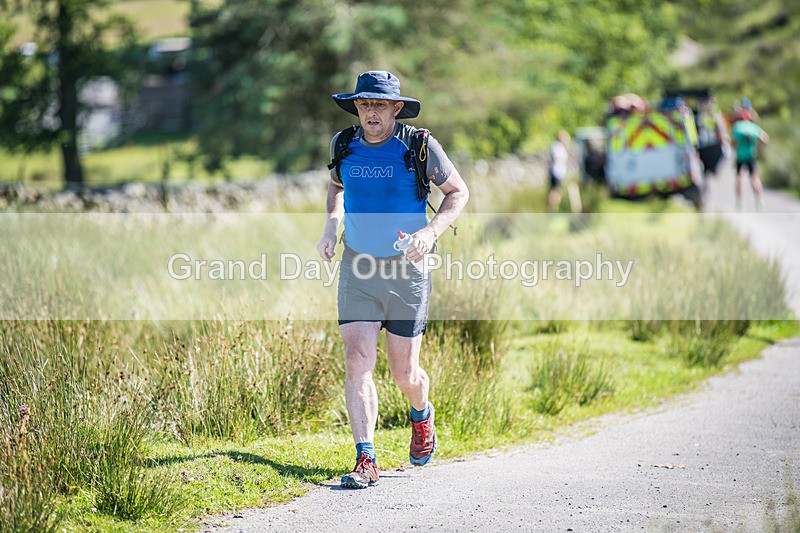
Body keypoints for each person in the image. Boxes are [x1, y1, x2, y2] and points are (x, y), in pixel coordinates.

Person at [317, 71, 469, 489]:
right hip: (358, 269)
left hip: (408, 273)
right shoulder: (343, 144)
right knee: (356, 360)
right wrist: (332, 224)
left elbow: (458, 193)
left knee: (406, 375)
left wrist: (429, 233)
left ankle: (421, 415)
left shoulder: (419, 145)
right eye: (364, 105)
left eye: (379, 105)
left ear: (396, 108)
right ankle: (365, 459)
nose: (370, 113)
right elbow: (335, 187)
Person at [730, 110, 769, 211]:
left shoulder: (737, 126)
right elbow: (765, 139)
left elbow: (733, 142)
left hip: (740, 156)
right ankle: (759, 201)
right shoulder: (753, 127)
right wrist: (761, 151)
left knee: (739, 179)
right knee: (755, 178)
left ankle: (740, 202)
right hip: (751, 155)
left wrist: (735, 149)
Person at [547, 130, 570, 211]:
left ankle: (555, 207)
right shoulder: (556, 147)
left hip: (560, 172)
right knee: (555, 190)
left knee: (558, 190)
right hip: (556, 172)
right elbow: (557, 159)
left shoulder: (560, 147)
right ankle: (553, 208)